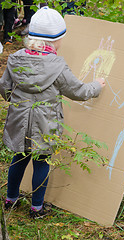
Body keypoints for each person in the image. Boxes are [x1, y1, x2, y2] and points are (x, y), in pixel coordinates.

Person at [0, 6, 105, 219]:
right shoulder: (57, 65)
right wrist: (97, 85)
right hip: (44, 125)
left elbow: (4, 88)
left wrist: (17, 102)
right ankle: (36, 208)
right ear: (54, 41)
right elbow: (78, 91)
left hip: (19, 121)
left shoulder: (15, 59)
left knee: (19, 159)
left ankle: (11, 199)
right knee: (41, 162)